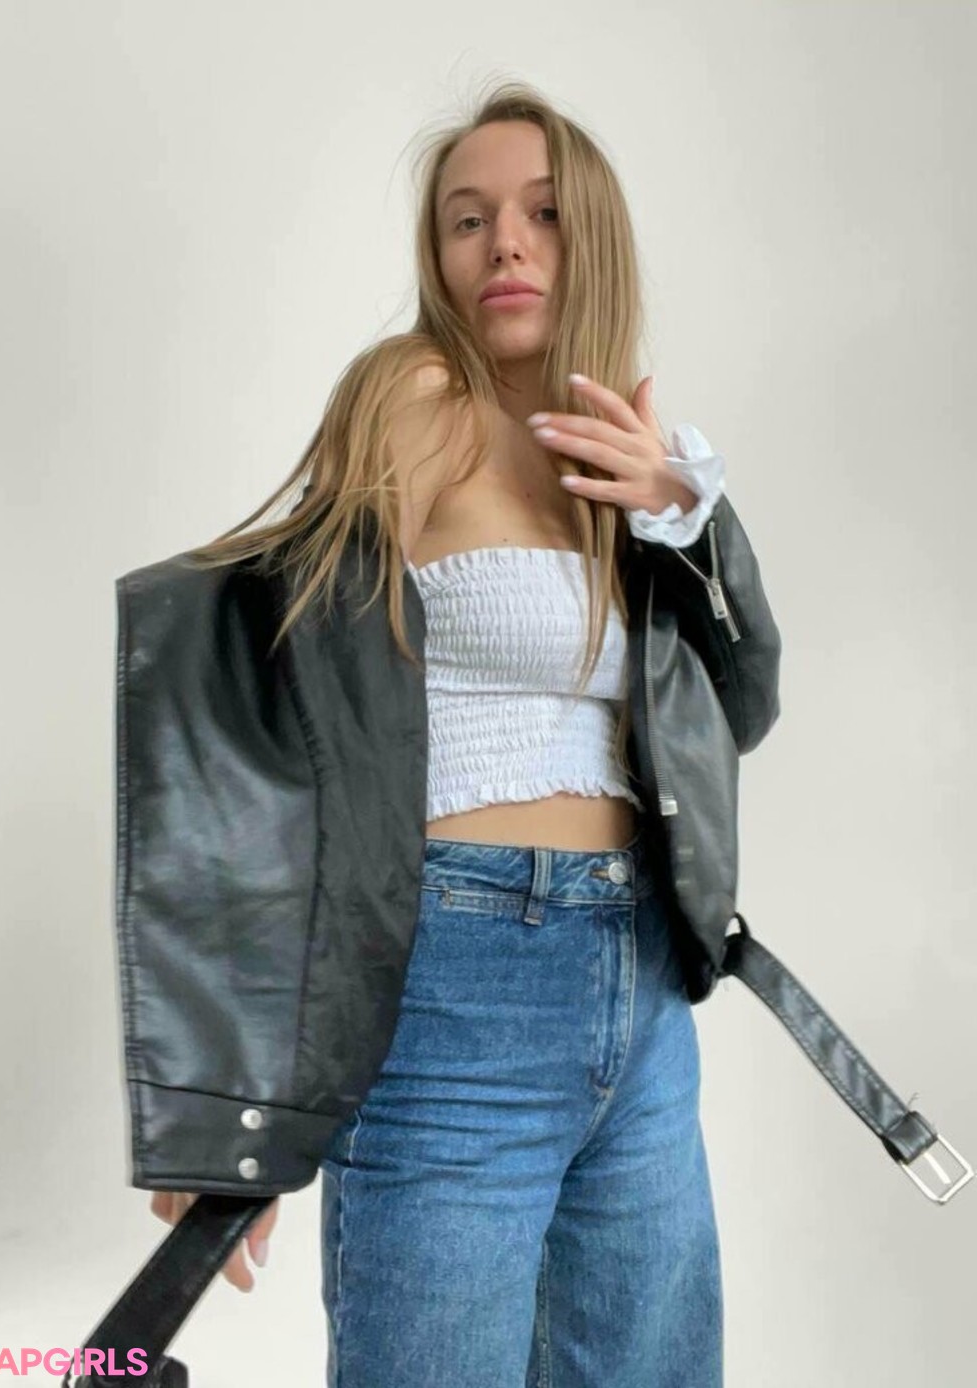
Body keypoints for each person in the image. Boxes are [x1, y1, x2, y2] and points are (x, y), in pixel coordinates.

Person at [150, 80, 754, 1387]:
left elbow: (742, 709)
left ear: (594, 235)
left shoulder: (624, 456)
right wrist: (224, 1088)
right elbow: (267, 705)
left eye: (543, 212)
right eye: (467, 219)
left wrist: (684, 518)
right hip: (458, 973)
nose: (505, 245)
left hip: (644, 989)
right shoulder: (417, 396)